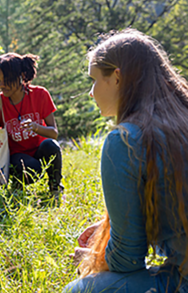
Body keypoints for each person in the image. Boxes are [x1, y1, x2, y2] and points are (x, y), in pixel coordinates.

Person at [64, 29, 188, 293]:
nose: (90, 92)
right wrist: (110, 225)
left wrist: (93, 258)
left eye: (95, 80)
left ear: (117, 77)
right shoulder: (181, 121)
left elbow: (127, 258)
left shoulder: (125, 141)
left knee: (78, 290)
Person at [0, 53, 63, 194]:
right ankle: (18, 186)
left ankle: (55, 188)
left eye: (6, 80)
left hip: (39, 153)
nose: (2, 85)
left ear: (21, 76)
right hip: (16, 158)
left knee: (51, 146)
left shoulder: (40, 94)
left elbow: (54, 133)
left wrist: (35, 127)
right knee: (24, 164)